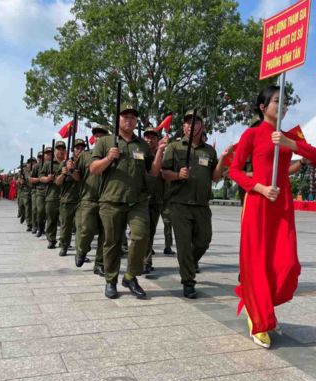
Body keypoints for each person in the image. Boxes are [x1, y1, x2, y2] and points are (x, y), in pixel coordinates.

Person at [229, 85, 316, 348]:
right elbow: (234, 171)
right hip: (259, 201)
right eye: (276, 101)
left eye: (284, 102)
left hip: (282, 204)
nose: (281, 106)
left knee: (286, 264)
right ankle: (258, 317)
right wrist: (258, 187)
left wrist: (290, 143)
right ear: (263, 107)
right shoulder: (252, 134)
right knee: (258, 260)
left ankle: (259, 305)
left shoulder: (289, 135)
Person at [89, 104, 167, 300]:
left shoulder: (141, 145)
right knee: (112, 243)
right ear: (118, 120)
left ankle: (131, 276)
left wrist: (159, 152)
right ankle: (111, 279)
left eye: (132, 117)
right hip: (111, 200)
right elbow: (93, 168)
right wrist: (108, 158)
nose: (129, 120)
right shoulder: (106, 141)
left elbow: (153, 172)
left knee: (141, 236)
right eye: (125, 116)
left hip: (137, 201)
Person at [161, 111, 231, 298]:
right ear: (183, 127)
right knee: (183, 245)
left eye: (195, 122)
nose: (190, 126)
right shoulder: (174, 147)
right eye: (187, 123)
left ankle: (189, 264)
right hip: (179, 204)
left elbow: (215, 177)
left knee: (204, 240)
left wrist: (223, 158)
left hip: (201, 204)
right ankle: (188, 281)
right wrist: (177, 175)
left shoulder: (209, 151)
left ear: (202, 126)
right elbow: (164, 173)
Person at [74, 125, 109, 275]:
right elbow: (77, 177)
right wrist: (71, 170)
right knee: (86, 230)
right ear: (93, 138)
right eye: (97, 135)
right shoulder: (85, 155)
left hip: (107, 199)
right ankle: (82, 250)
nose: (99, 138)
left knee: (105, 233)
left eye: (102, 135)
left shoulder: (113, 154)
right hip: (88, 198)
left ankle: (99, 264)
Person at [142, 128, 165, 274]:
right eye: (147, 138)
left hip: (156, 199)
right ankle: (144, 260)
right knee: (142, 232)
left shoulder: (164, 155)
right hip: (141, 199)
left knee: (150, 231)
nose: (150, 140)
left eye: (153, 138)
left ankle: (146, 260)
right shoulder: (139, 154)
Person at [56, 139, 85, 256]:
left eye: (82, 148)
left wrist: (72, 169)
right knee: (65, 226)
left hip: (80, 200)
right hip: (66, 200)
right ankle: (64, 246)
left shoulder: (86, 163)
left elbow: (78, 178)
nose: (80, 150)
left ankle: (80, 251)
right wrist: (63, 173)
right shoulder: (64, 163)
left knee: (80, 227)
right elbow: (57, 182)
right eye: (77, 148)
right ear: (73, 150)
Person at [40, 141, 66, 249]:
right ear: (55, 151)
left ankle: (64, 242)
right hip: (51, 195)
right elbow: (41, 177)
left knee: (65, 221)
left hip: (65, 196)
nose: (60, 151)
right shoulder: (47, 164)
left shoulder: (68, 162)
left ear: (65, 150)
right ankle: (51, 239)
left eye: (62, 149)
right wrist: (47, 179)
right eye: (58, 149)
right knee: (51, 220)